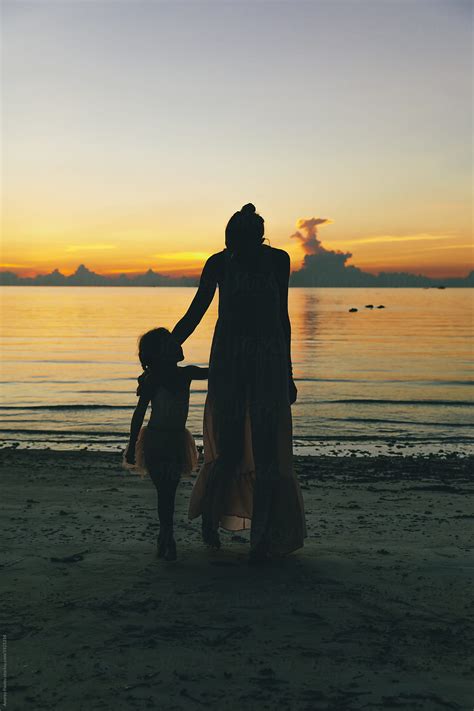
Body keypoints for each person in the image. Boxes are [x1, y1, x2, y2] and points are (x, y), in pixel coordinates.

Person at [172, 203, 306, 563]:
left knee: (267, 454)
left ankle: (262, 537)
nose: (236, 250)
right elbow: (197, 308)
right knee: (228, 449)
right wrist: (170, 346)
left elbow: (283, 316)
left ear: (256, 238)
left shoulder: (278, 260)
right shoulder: (218, 262)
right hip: (229, 360)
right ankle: (210, 520)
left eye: (241, 242)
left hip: (269, 360)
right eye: (232, 243)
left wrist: (288, 373)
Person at [123, 327, 208, 561]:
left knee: (168, 492)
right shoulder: (153, 380)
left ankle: (165, 535)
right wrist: (131, 446)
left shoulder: (186, 373)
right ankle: (166, 534)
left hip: (176, 440)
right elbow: (139, 414)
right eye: (171, 343)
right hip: (155, 441)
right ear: (160, 353)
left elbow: (216, 372)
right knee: (165, 492)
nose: (178, 345)